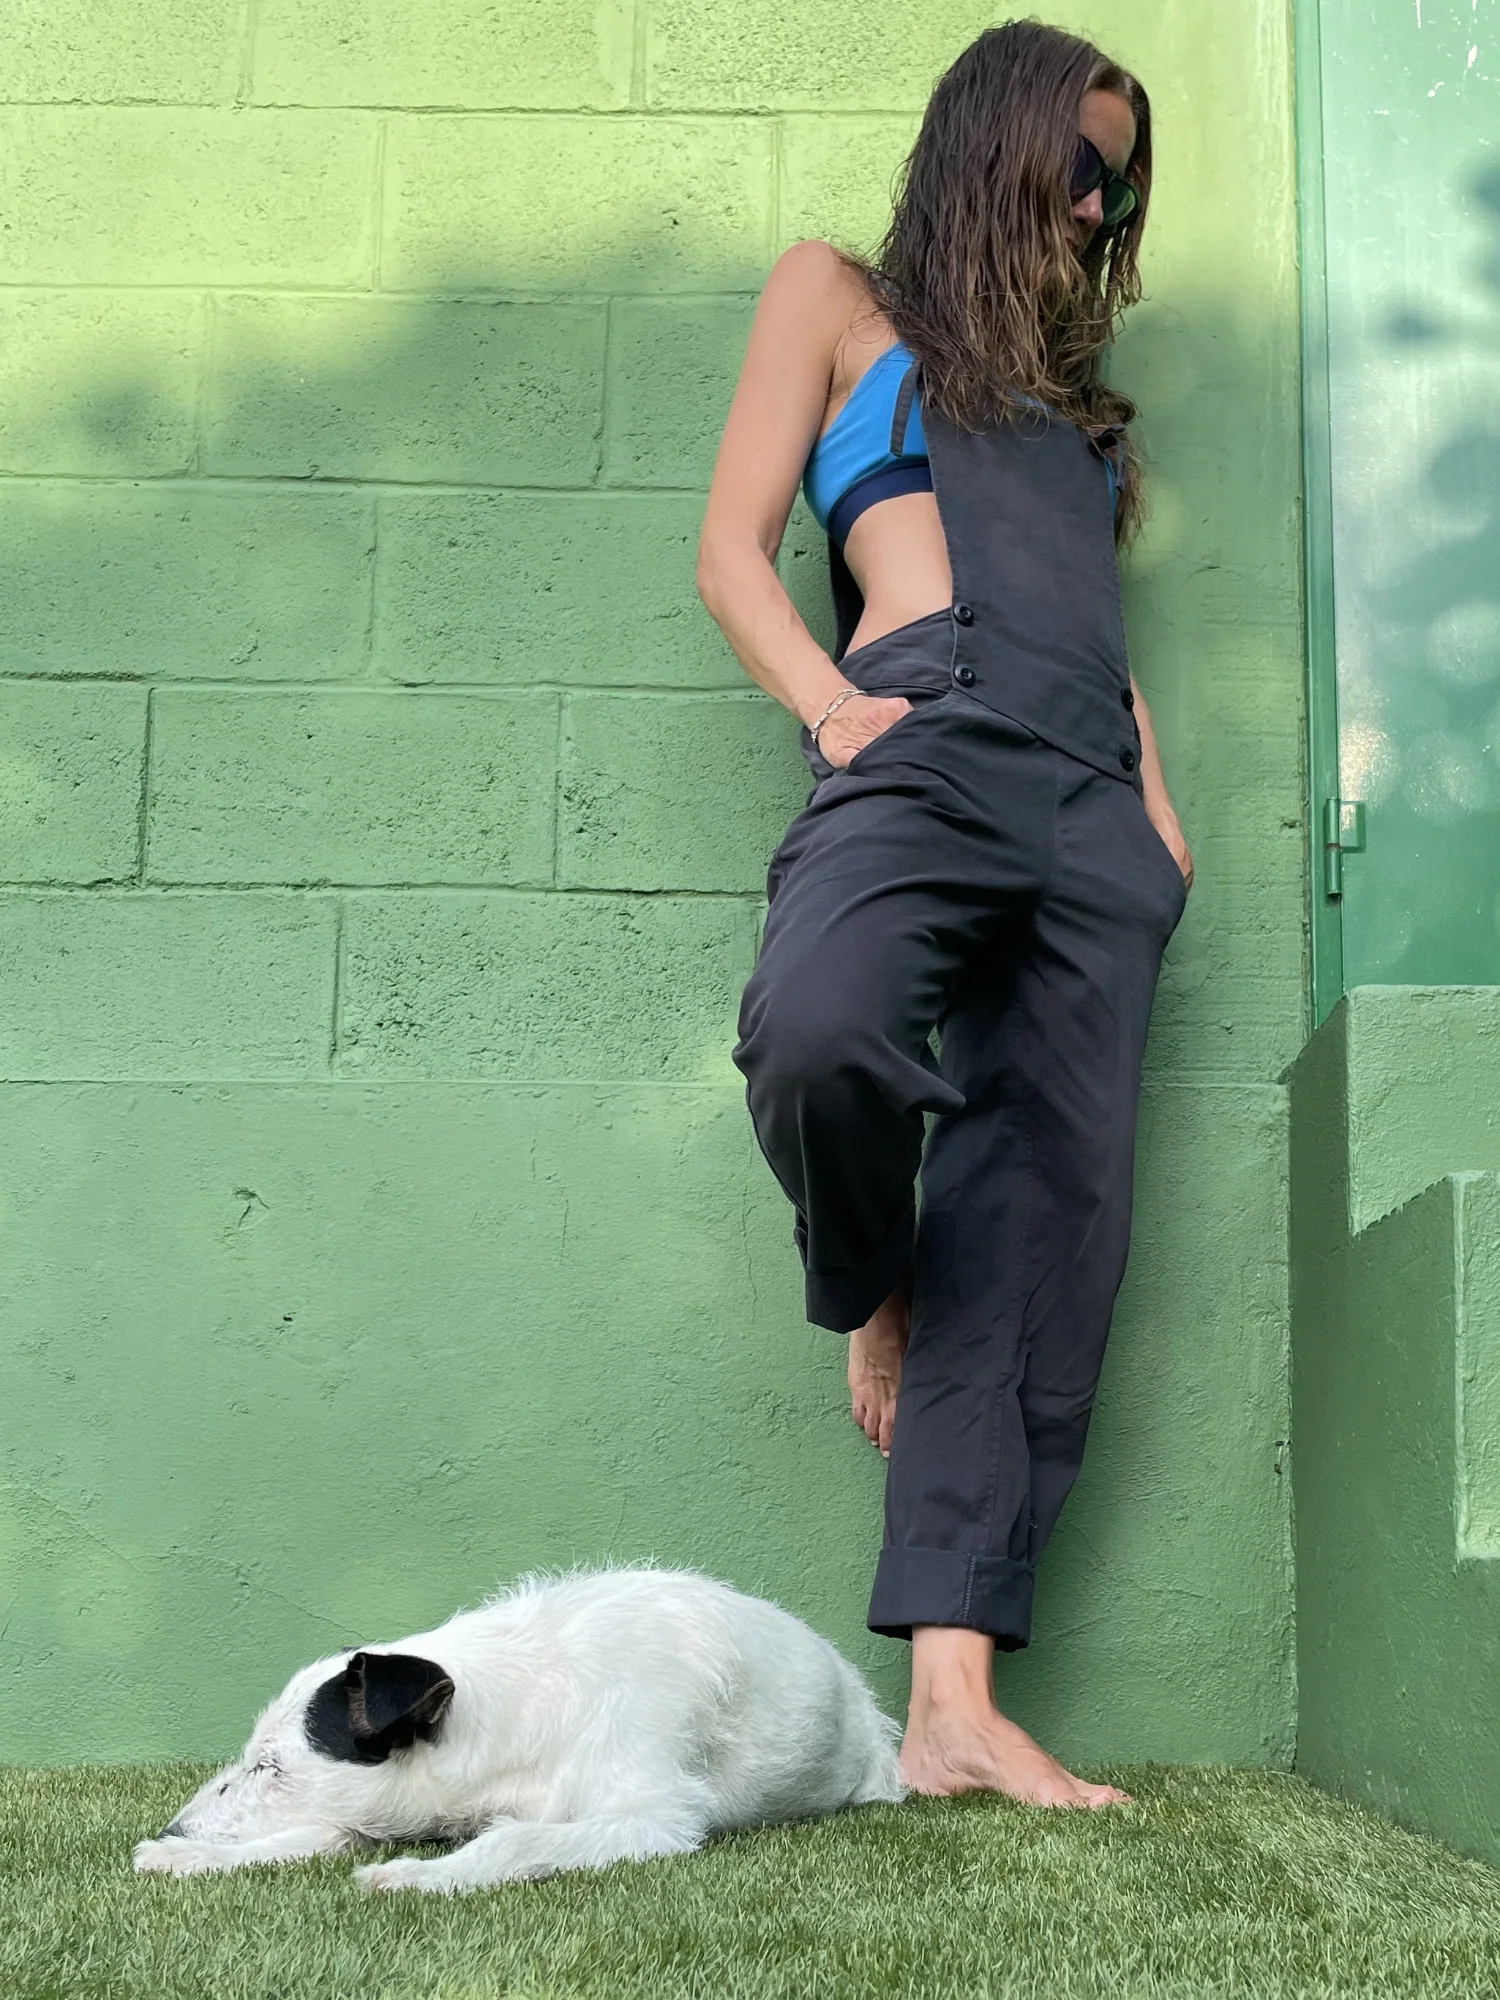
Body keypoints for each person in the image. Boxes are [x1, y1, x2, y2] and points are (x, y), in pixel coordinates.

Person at [696, 20, 1191, 1808]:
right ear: (994, 137)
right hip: (921, 731)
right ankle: (871, 1271)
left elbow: (1101, 647)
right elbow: (730, 550)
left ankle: (953, 1710)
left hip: (1095, 812)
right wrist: (836, 711)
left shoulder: (1086, 429)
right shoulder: (839, 301)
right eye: (1079, 162)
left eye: (1115, 185)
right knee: (820, 1031)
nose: (1095, 203)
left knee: (1048, 1231)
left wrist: (1155, 823)